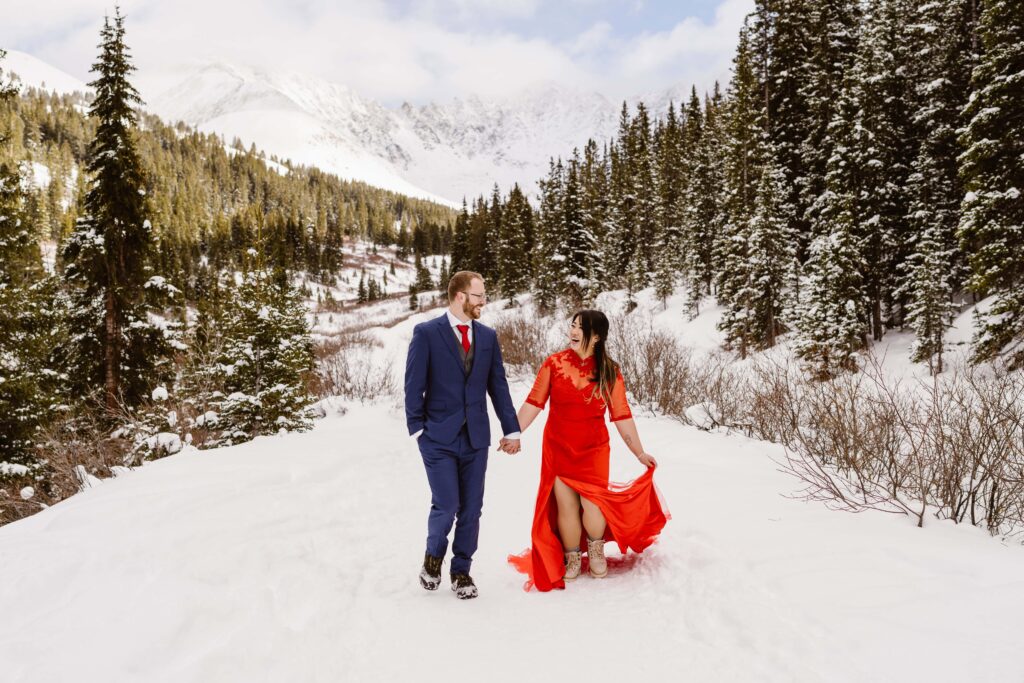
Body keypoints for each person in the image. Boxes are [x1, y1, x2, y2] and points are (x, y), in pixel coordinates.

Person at [508, 309, 668, 592]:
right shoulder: (553, 364)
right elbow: (534, 402)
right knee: (566, 505)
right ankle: (571, 556)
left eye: (579, 327)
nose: (571, 330)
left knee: (593, 504)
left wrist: (639, 453)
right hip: (558, 445)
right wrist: (514, 433)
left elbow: (622, 415)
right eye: (571, 325)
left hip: (593, 448)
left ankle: (595, 550)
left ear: (595, 336)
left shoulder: (609, 370)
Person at [404, 270, 521, 599]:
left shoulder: (487, 337)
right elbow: (414, 385)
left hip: (476, 438)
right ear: (460, 296)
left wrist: (510, 429)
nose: (484, 301)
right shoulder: (427, 333)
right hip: (437, 437)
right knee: (447, 503)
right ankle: (433, 559)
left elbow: (497, 386)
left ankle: (461, 571)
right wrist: (418, 430)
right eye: (479, 295)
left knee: (471, 508)